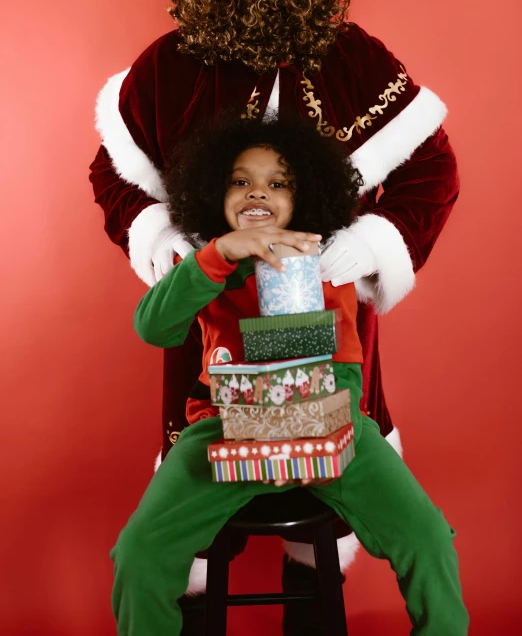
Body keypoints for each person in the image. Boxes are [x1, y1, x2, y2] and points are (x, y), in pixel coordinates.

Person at [89, 0, 459, 628]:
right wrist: (177, 248)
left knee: (391, 522)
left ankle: (309, 610)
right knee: (163, 550)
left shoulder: (351, 57)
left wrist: (365, 246)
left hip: (327, 382)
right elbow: (116, 178)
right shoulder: (166, 69)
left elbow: (431, 166)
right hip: (216, 383)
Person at [110, 117, 468, 636]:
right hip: (223, 426)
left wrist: (307, 425)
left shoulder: (323, 261)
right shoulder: (209, 262)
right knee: (139, 551)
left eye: (279, 183)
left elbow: (345, 370)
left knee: (429, 537)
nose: (259, 191)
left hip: (329, 423)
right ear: (215, 189)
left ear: (305, 197)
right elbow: (154, 327)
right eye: (241, 180)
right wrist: (216, 256)